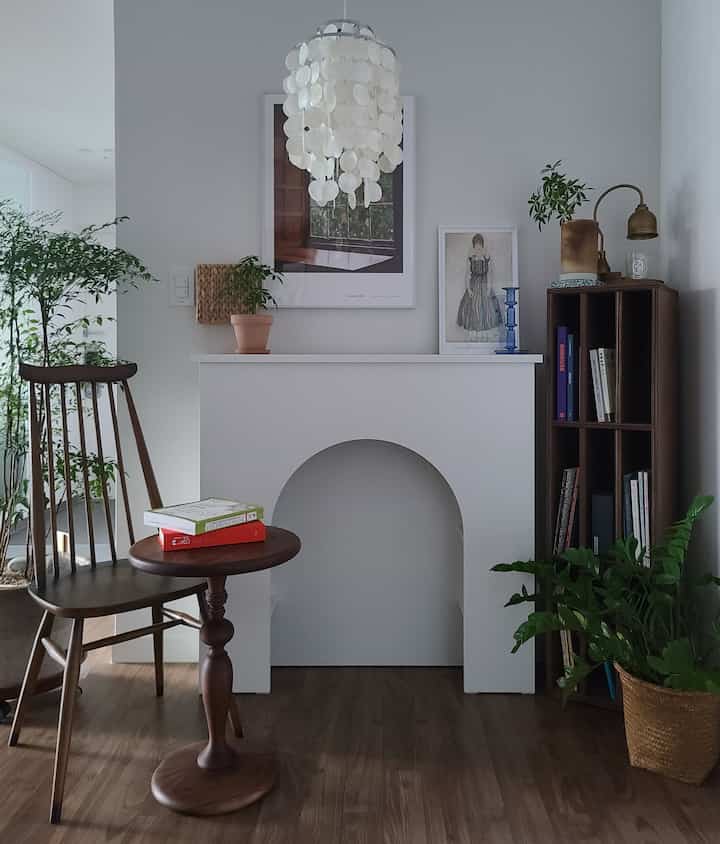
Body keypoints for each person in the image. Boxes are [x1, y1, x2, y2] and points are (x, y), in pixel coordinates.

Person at [456, 233, 503, 337]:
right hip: (473, 285)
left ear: (482, 246)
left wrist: (489, 288)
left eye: (480, 246)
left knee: (487, 307)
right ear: (473, 247)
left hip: (484, 285)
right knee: (472, 307)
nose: (478, 249)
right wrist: (468, 289)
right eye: (476, 247)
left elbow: (490, 274)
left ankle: (486, 334)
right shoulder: (470, 259)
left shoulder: (487, 260)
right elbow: (467, 275)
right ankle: (474, 332)